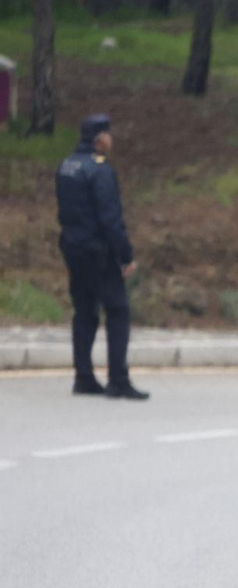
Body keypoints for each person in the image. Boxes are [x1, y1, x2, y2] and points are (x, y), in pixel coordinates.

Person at [56, 113, 146, 399]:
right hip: (99, 251)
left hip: (72, 247)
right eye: (109, 134)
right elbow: (110, 219)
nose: (111, 139)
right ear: (100, 138)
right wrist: (125, 256)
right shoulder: (100, 170)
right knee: (117, 310)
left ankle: (83, 376)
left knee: (84, 311)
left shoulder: (67, 165)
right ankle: (118, 379)